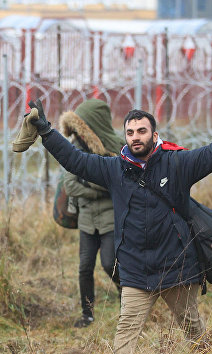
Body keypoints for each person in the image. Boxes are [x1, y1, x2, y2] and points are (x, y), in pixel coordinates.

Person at [15, 93, 212, 354]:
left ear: (154, 134)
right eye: (130, 132)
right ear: (125, 136)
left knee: (193, 328)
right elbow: (75, 160)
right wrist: (46, 131)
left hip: (177, 266)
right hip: (136, 269)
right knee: (125, 332)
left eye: (141, 131)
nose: (136, 137)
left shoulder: (177, 163)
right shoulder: (114, 169)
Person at [60, 100, 123, 328]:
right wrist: (99, 187)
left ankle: (127, 298)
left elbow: (115, 184)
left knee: (109, 263)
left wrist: (90, 183)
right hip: (86, 221)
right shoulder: (74, 147)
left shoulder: (114, 149)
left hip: (109, 219)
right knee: (84, 267)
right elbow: (71, 185)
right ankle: (87, 314)